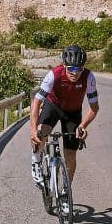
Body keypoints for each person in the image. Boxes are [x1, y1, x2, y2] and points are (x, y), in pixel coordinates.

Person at [29, 44, 100, 186]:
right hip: (53, 106)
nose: (75, 73)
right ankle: (36, 161)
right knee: (41, 132)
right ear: (64, 65)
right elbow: (36, 102)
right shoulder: (53, 75)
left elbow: (94, 108)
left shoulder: (89, 77)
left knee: (70, 156)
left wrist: (83, 126)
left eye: (79, 69)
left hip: (72, 113)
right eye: (71, 69)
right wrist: (33, 129)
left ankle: (65, 191)